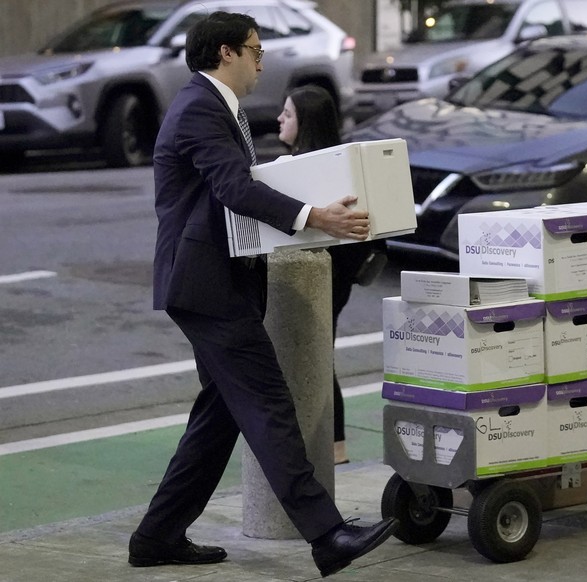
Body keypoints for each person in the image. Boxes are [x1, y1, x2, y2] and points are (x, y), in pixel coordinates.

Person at [128, 12, 396, 578]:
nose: (261, 61)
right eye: (255, 50)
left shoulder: (213, 106)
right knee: (269, 402)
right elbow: (233, 186)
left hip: (217, 280)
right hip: (205, 285)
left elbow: (235, 186)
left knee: (221, 413)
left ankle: (157, 536)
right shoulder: (200, 106)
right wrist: (310, 215)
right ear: (226, 52)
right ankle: (327, 535)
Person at [276, 85, 386, 465]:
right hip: (339, 278)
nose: (279, 119)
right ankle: (334, 445)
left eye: (287, 114)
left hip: (314, 276)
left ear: (304, 123)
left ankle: (328, 444)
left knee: (311, 358)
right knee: (322, 355)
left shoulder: (299, 172)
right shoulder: (343, 168)